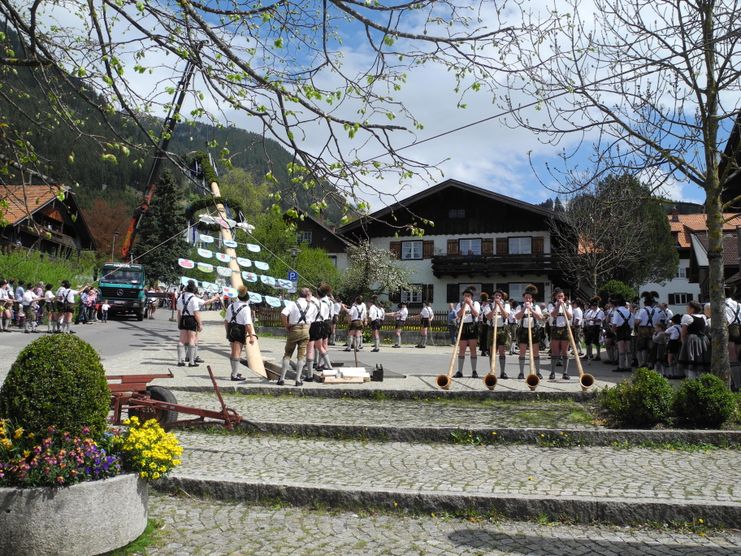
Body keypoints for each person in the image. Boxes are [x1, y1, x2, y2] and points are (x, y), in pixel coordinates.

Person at [279, 287, 316, 386]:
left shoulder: (292, 304)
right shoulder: (311, 306)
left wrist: (286, 325)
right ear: (307, 295)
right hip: (305, 330)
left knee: (288, 354)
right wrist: (306, 329)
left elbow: (283, 314)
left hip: (294, 329)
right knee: (301, 356)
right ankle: (298, 380)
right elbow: (311, 321)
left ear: (299, 294)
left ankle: (282, 379)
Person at [223, 285, 256, 381]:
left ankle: (234, 371)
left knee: (233, 352)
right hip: (239, 330)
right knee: (237, 353)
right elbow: (248, 325)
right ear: (247, 298)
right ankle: (234, 375)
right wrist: (251, 336)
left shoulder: (231, 305)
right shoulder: (246, 308)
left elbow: (226, 321)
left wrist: (227, 332)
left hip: (231, 329)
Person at [515, 284, 545, 380]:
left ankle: (538, 372)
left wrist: (531, 309)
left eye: (529, 298)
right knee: (522, 352)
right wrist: (524, 309)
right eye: (526, 298)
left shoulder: (536, 307)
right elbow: (517, 317)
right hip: (523, 330)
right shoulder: (520, 307)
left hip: (534, 330)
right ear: (524, 299)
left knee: (535, 352)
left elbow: (541, 318)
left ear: (532, 299)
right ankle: (521, 372)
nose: (528, 299)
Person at [453, 289, 481, 378]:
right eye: (465, 295)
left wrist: (470, 305)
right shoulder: (460, 304)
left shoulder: (475, 304)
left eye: (468, 295)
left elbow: (476, 314)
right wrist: (464, 304)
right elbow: (458, 315)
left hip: (472, 326)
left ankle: (474, 371)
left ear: (471, 297)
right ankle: (460, 371)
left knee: (473, 349)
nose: (466, 297)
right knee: (462, 349)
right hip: (463, 326)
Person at [678, 300, 709, 379]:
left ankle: (692, 380)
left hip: (691, 340)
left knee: (691, 359)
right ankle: (701, 379)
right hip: (702, 339)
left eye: (688, 307)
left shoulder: (687, 317)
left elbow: (683, 332)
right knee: (701, 359)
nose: (686, 308)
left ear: (692, 308)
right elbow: (704, 329)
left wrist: (683, 343)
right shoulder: (703, 317)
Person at [547, 288, 573, 380]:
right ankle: (552, 372)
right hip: (555, 328)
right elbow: (553, 314)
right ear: (555, 297)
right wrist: (558, 306)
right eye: (558, 296)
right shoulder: (551, 305)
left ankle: (565, 373)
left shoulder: (567, 305)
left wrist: (564, 307)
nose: (560, 298)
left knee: (565, 352)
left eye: (562, 296)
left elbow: (570, 317)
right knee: (555, 352)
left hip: (565, 329)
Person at [176, 281, 202, 367]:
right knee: (192, 340)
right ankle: (191, 362)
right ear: (194, 290)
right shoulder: (194, 299)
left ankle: (180, 361)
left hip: (183, 318)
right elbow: (196, 313)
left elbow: (179, 312)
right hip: (191, 319)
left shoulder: (180, 297)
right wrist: (200, 324)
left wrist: (179, 322)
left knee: (181, 340)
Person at [485, 289, 510, 379]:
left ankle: (503, 372)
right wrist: (495, 307)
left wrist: (500, 305)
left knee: (502, 351)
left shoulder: (506, 305)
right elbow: (488, 317)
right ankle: (492, 371)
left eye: (499, 295)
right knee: (492, 351)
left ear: (502, 297)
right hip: (492, 329)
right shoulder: (489, 305)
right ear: (493, 296)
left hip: (502, 329)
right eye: (496, 295)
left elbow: (506, 315)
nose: (497, 297)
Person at [635, 291, 662, 369]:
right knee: (650, 348)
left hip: (643, 330)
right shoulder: (657, 311)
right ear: (652, 303)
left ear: (645, 303)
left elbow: (638, 321)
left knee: (641, 347)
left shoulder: (642, 310)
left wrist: (636, 323)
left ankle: (642, 363)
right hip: (653, 330)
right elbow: (659, 322)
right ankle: (650, 363)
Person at [609, 294, 634, 373]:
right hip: (628, 330)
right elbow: (632, 325)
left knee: (621, 349)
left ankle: (621, 366)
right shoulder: (630, 312)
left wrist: (612, 331)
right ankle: (629, 366)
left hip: (620, 331)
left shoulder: (617, 312)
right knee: (628, 349)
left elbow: (614, 324)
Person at [313, 283, 334, 372]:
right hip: (329, 322)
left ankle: (321, 363)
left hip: (321, 322)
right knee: (324, 344)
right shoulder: (330, 302)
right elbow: (332, 314)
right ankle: (321, 364)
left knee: (318, 345)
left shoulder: (319, 302)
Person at [584, 296, 604, 362]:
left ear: (595, 305)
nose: (591, 307)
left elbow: (599, 320)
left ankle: (598, 355)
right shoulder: (591, 311)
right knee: (588, 341)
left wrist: (591, 319)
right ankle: (590, 354)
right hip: (590, 327)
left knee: (596, 342)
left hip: (596, 328)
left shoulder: (600, 312)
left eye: (592, 306)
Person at [666, 313, 682, 379]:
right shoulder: (681, 327)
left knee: (670, 359)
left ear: (673, 321)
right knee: (677, 359)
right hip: (679, 343)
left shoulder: (673, 327)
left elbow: (666, 332)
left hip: (672, 343)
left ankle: (671, 373)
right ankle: (678, 373)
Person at [478, 292, 491, 357]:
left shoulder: (488, 307)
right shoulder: (480, 307)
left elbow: (488, 315)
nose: (485, 302)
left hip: (487, 323)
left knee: (487, 337)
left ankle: (487, 350)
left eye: (486, 301)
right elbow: (479, 314)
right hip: (481, 324)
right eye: (484, 301)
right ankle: (483, 350)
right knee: (482, 337)